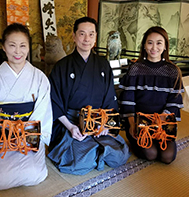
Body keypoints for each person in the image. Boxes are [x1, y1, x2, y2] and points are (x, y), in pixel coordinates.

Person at [47, 17, 130, 175]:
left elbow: (110, 98)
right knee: (79, 164)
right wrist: (71, 127)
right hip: (71, 123)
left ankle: (95, 150)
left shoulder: (103, 65)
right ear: (74, 36)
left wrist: (105, 125)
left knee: (120, 157)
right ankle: (95, 152)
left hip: (98, 122)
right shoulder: (61, 66)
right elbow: (54, 101)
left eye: (91, 34)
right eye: (82, 34)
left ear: (95, 37)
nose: (87, 39)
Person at [0, 23, 52, 190]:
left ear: (29, 47)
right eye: (12, 45)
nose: (18, 51)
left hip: (28, 138)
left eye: (23, 46)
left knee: (35, 175)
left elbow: (43, 110)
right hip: (2, 138)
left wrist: (31, 138)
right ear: (3, 47)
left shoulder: (39, 78)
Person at [119, 26, 184, 164]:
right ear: (144, 45)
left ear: (165, 46)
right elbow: (127, 100)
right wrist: (131, 124)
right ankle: (135, 141)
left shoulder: (173, 71)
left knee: (167, 157)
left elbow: (175, 102)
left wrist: (160, 120)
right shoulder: (135, 69)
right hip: (139, 123)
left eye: (159, 43)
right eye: (150, 42)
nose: (154, 47)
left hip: (162, 123)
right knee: (151, 154)